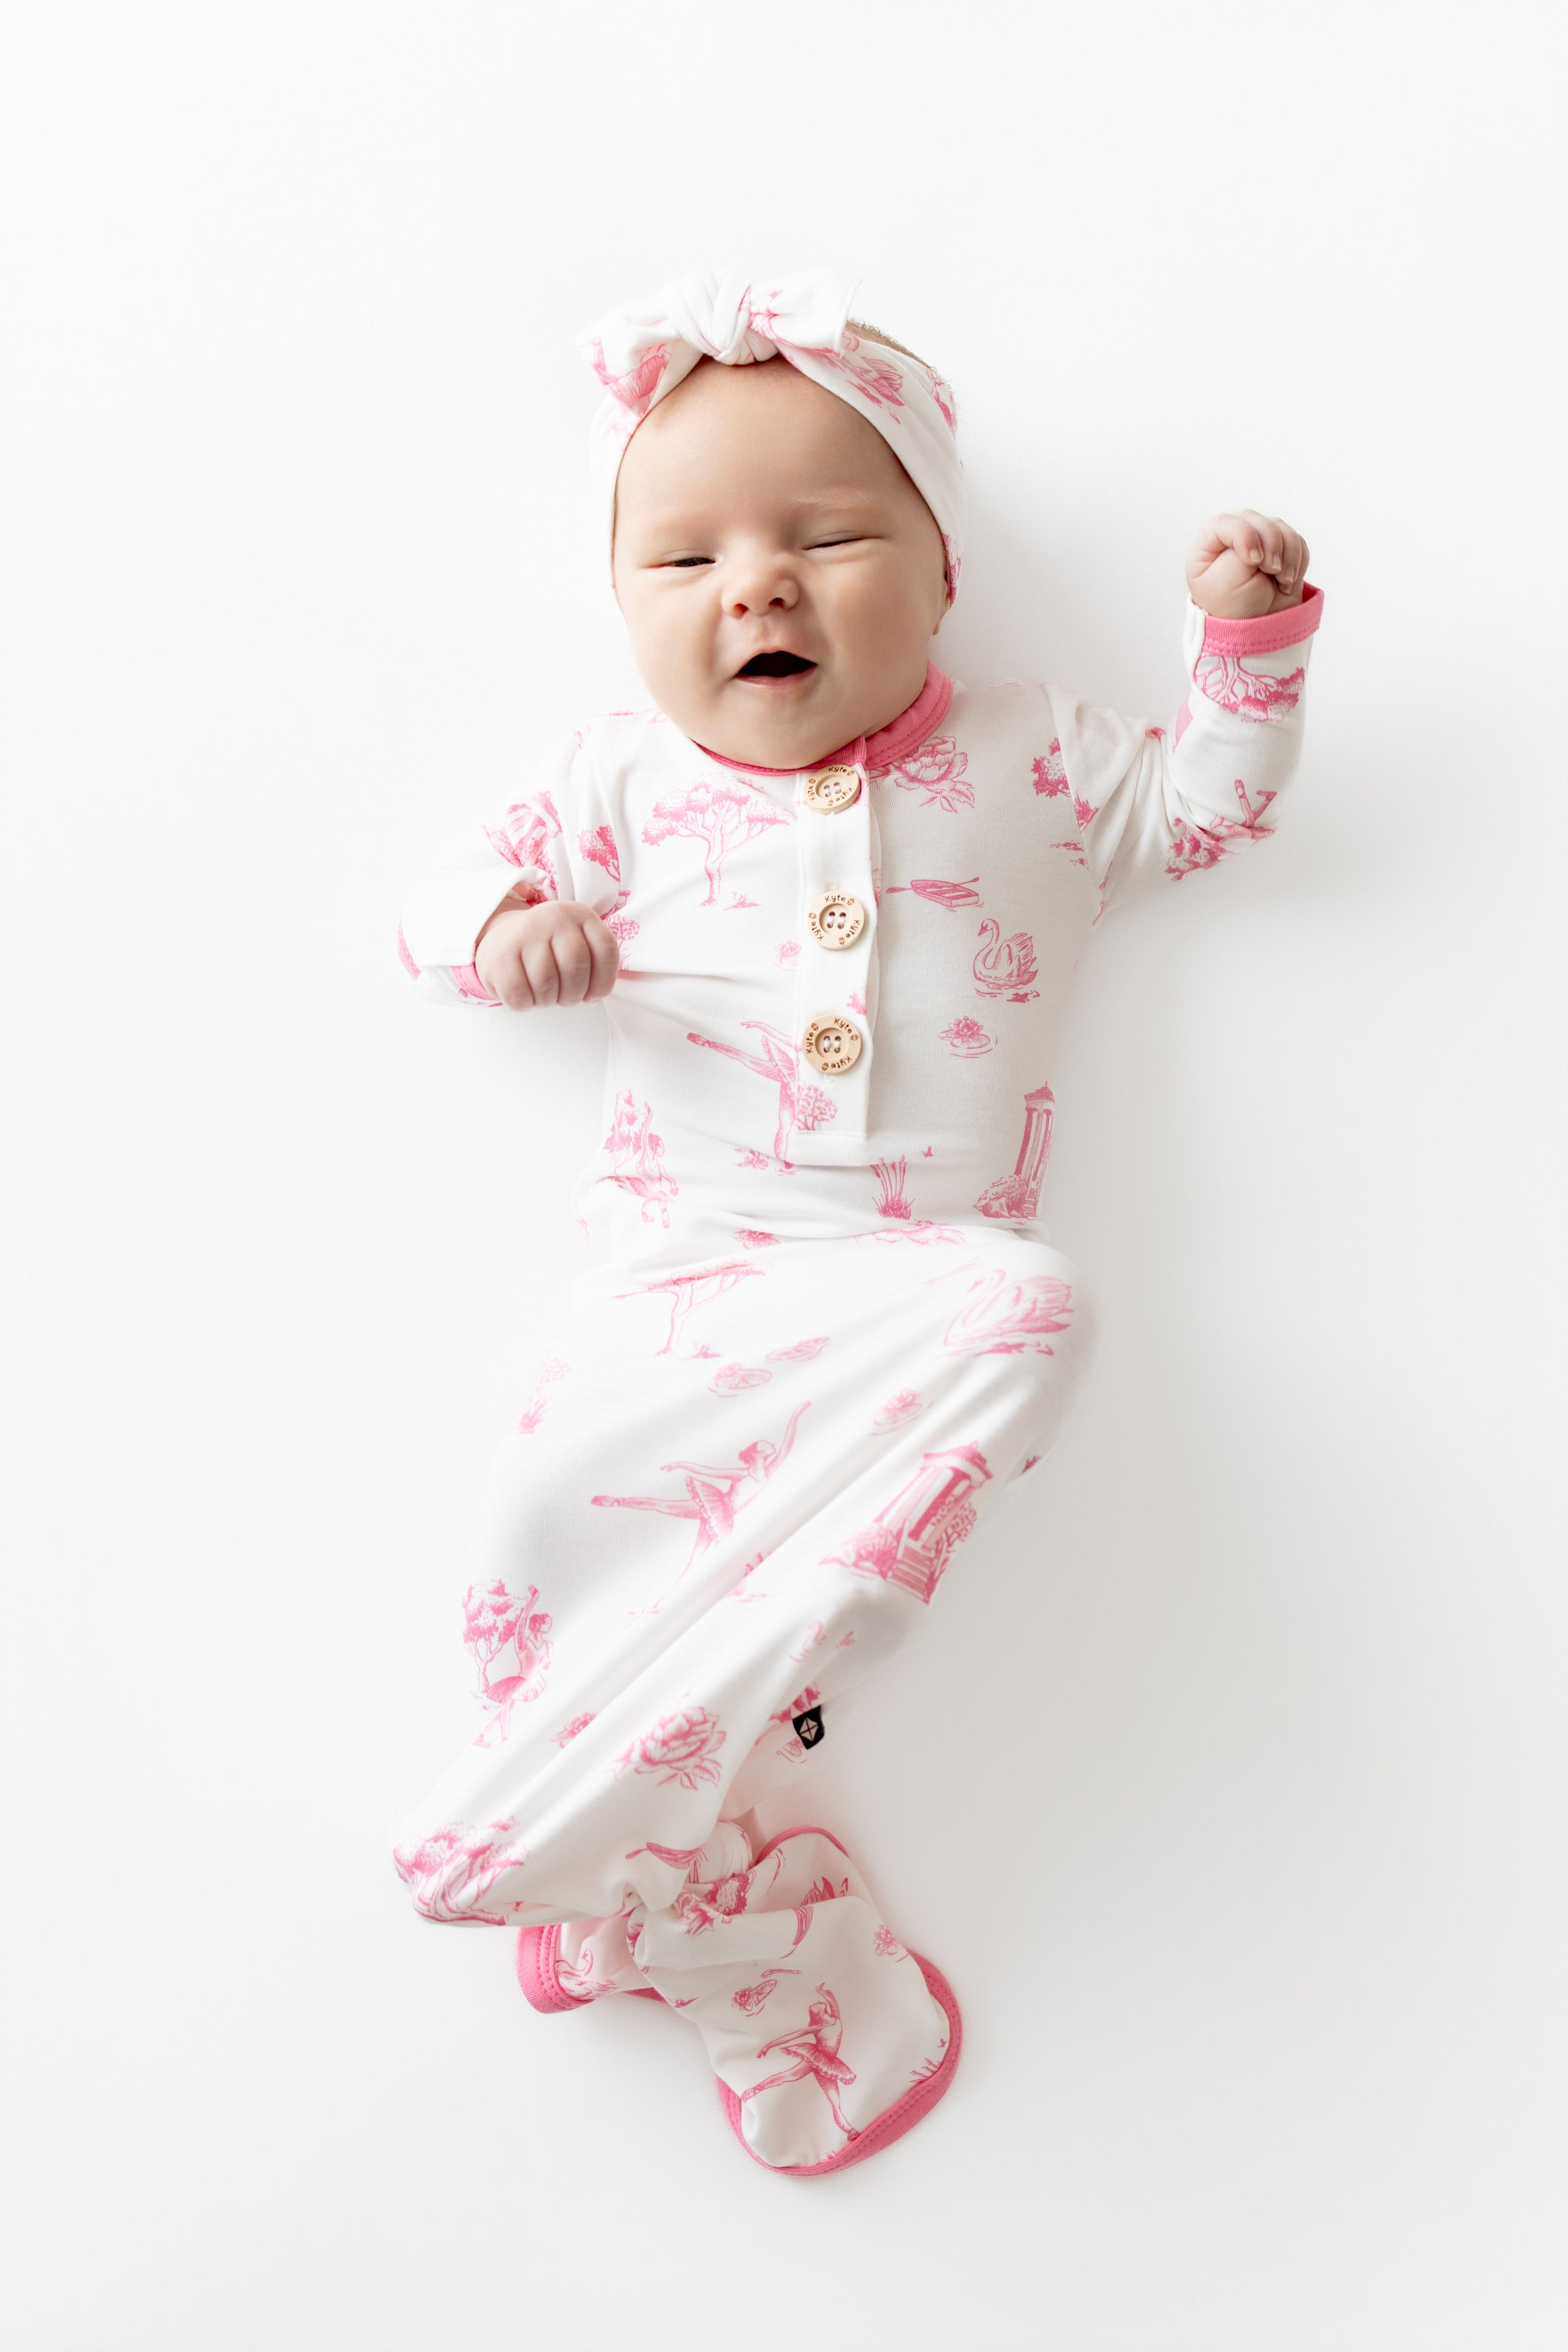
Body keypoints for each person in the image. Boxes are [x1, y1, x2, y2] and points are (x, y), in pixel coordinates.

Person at [388, 268, 1323, 2177]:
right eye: (686, 561)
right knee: (542, 1535)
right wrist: (510, 932)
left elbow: (1212, 817)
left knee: (1034, 1308)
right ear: (627, 608)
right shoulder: (622, 784)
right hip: (683, 1281)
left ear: (944, 574)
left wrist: (1248, 645)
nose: (760, 586)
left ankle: (595, 1845)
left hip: (912, 1299)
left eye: (829, 536)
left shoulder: (1039, 758)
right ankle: (673, 1871)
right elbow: (434, 906)